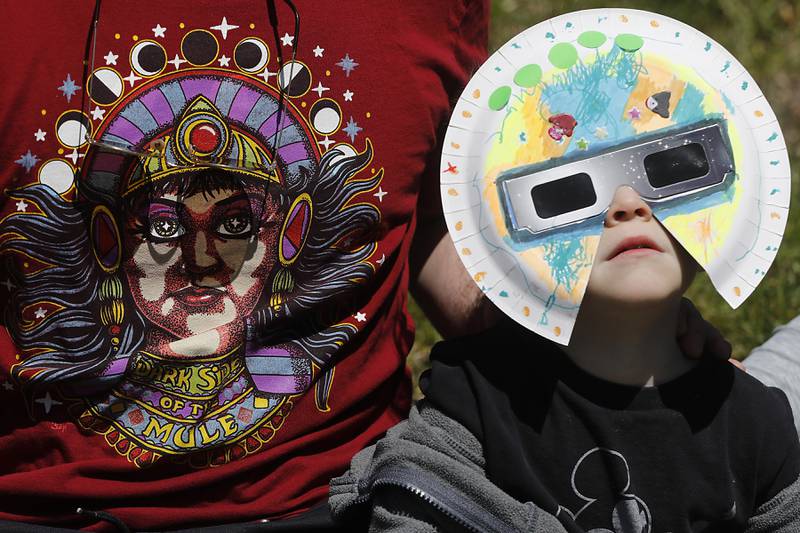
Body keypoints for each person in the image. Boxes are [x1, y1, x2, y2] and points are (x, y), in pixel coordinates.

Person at [0, 0, 490, 530]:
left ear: (292, 230)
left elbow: (436, 213)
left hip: (341, 496)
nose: (203, 261)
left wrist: (558, 332)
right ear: (109, 238)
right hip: (41, 509)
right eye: (165, 227)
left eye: (237, 226)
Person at [330, 10, 800, 532]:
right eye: (568, 194)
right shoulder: (476, 407)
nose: (627, 206)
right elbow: (412, 501)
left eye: (669, 168)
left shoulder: (757, 424)